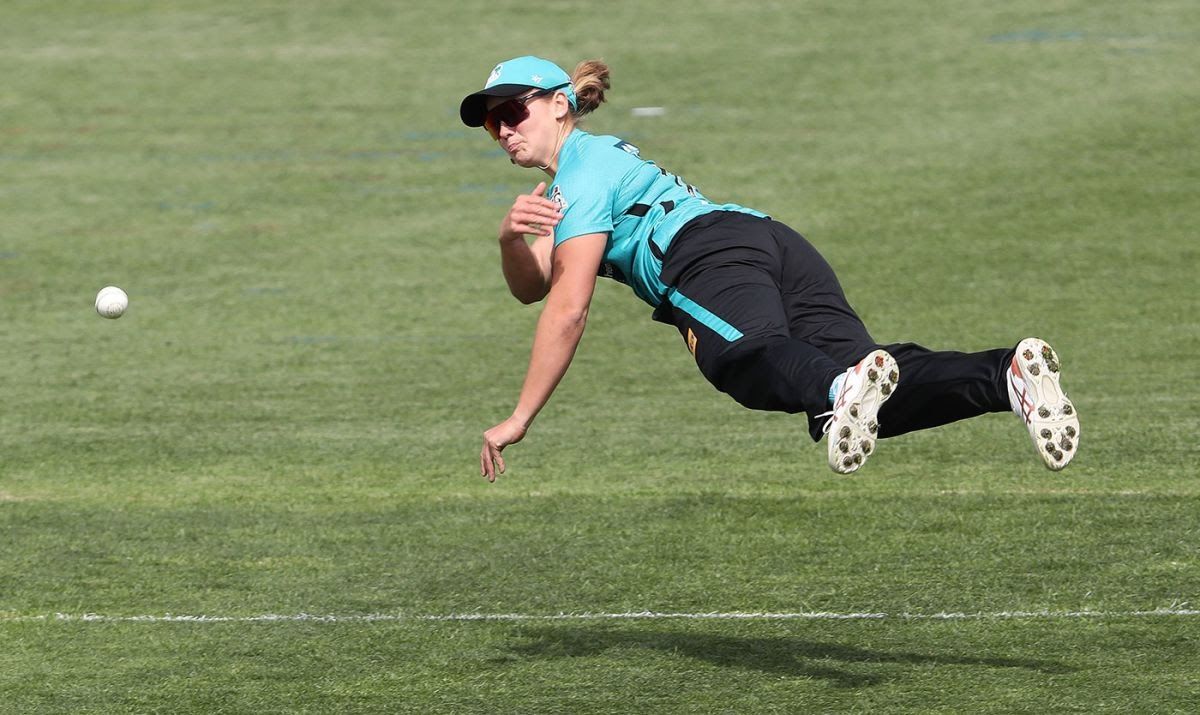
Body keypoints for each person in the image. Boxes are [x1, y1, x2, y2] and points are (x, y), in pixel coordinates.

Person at [459, 56, 1080, 482]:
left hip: (705, 259)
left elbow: (568, 308)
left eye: (515, 111)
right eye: (493, 123)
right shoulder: (575, 181)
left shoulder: (582, 173)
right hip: (771, 242)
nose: (505, 129)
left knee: (743, 360)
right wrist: (510, 240)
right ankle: (1006, 376)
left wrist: (520, 418)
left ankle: (837, 390)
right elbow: (533, 286)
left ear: (561, 104)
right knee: (872, 399)